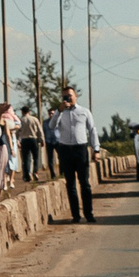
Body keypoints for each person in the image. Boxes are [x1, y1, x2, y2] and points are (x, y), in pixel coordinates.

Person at [46, 85, 99, 224]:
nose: (67, 98)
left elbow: (92, 130)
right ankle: (76, 215)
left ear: (75, 96)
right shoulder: (60, 113)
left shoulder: (84, 111)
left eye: (70, 95)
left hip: (80, 149)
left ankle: (89, 213)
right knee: (70, 184)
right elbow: (51, 126)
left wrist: (96, 149)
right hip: (65, 150)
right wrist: (58, 111)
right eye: (64, 96)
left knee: (85, 183)